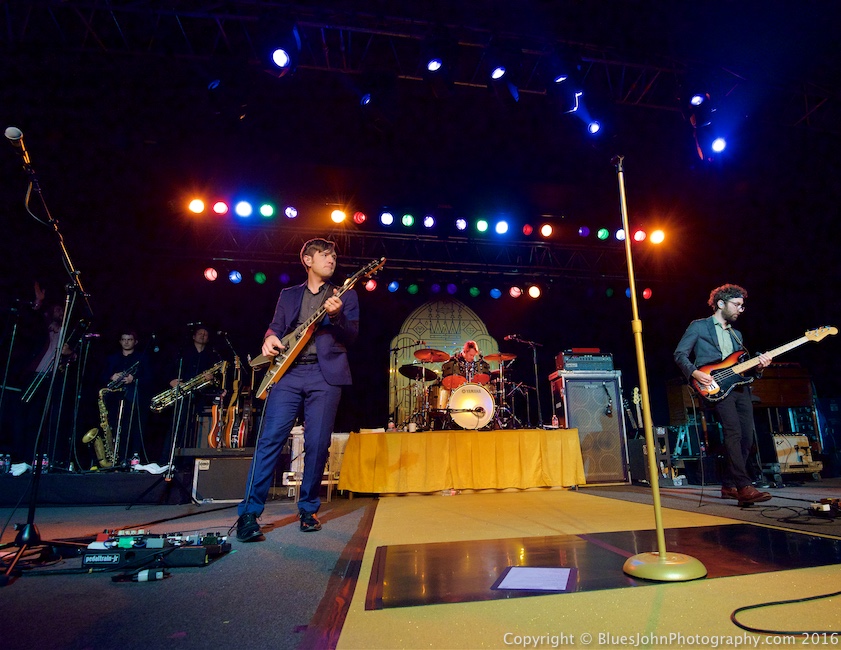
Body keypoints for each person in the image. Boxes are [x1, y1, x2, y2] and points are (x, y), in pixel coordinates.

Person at [235, 238, 359, 541]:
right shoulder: (288, 295)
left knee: (318, 444)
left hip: (324, 375)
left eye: (333, 256)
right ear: (308, 260)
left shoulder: (346, 295)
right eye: (325, 255)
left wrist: (335, 316)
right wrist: (269, 338)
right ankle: (249, 513)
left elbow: (351, 335)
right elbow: (275, 327)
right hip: (288, 374)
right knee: (270, 441)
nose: (331, 260)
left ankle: (307, 509)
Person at [674, 284, 773, 505]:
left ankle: (728, 484)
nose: (740, 309)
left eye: (742, 306)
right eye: (736, 304)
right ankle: (744, 487)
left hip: (740, 388)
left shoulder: (737, 335)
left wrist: (759, 367)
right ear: (721, 304)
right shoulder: (699, 327)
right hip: (716, 387)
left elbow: (742, 367)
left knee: (747, 437)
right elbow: (680, 354)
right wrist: (695, 373)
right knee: (733, 432)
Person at [99, 330, 152, 466]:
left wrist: (133, 379)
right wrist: (112, 376)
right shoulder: (112, 358)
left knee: (133, 428)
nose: (126, 342)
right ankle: (115, 458)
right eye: (124, 339)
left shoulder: (142, 358)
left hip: (134, 399)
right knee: (115, 427)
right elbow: (100, 376)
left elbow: (150, 378)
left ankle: (133, 457)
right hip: (114, 399)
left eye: (129, 339)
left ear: (135, 342)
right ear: (120, 341)